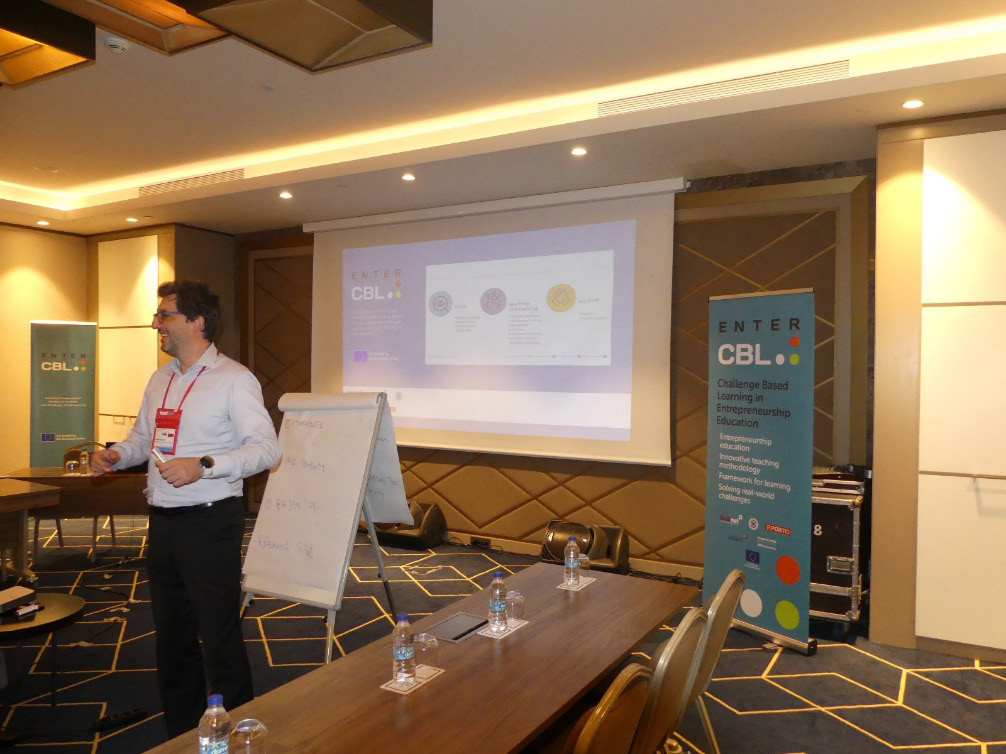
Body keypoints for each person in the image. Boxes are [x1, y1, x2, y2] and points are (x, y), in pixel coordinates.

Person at [89, 280, 281, 737]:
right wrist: (117, 454)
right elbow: (144, 439)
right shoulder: (160, 378)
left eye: (165, 315)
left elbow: (267, 449)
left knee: (218, 634)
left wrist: (204, 465)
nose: (156, 323)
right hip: (164, 521)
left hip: (210, 520)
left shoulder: (234, 379)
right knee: (172, 635)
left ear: (196, 322)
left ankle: (237, 731)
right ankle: (180, 732)